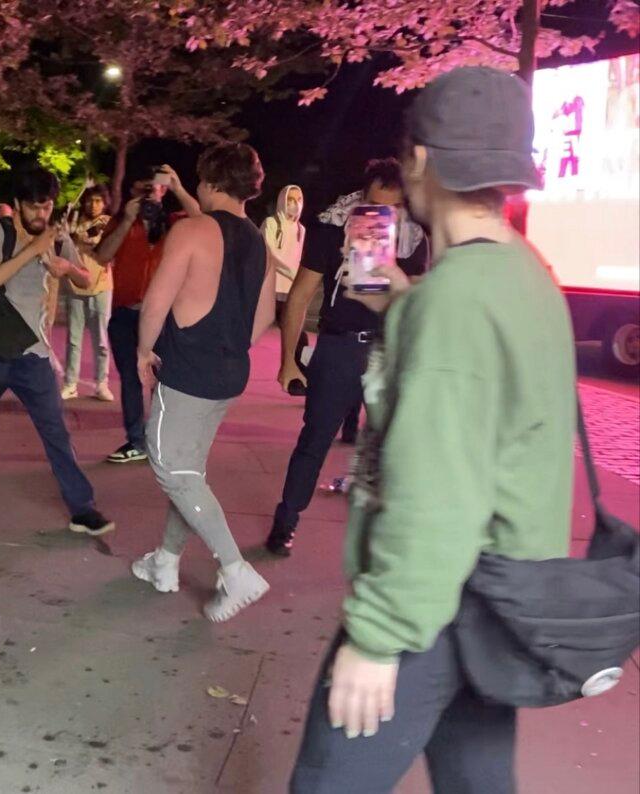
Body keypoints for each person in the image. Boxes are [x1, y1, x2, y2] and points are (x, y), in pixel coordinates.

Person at [290, 66, 574, 794]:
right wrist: (406, 303)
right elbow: (477, 380)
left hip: (431, 606)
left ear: (417, 159)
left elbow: (438, 492)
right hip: (499, 600)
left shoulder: (459, 302)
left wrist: (379, 639)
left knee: (328, 784)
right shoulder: (522, 271)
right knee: (477, 782)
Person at [131, 143, 276, 622]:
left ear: (209, 181)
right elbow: (265, 316)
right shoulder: (258, 241)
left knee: (172, 467)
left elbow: (156, 303)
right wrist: (229, 344)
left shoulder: (191, 231)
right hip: (229, 371)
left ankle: (236, 571)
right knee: (189, 470)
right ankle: (165, 563)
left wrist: (143, 351)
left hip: (189, 370)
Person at [0, 169, 115, 537]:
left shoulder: (56, 235)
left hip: (33, 351)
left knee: (56, 432)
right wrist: (33, 250)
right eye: (34, 207)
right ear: (17, 205)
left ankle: (82, 508)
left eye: (47, 206)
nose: (41, 215)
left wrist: (66, 267)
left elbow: (86, 278)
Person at [265, 159, 429, 557]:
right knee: (315, 438)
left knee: (392, 447)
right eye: (373, 204)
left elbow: (419, 305)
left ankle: (387, 537)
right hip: (339, 348)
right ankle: (286, 519)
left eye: (391, 208)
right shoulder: (331, 227)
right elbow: (301, 296)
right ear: (361, 197)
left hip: (387, 352)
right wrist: (288, 360)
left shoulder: (412, 239)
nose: (379, 216)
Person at [96, 165, 201, 464]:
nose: (150, 194)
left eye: (155, 188)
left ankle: (160, 440)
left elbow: (202, 220)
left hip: (163, 316)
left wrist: (180, 188)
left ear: (164, 189)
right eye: (143, 189)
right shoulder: (122, 221)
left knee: (163, 379)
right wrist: (128, 218)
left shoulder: (175, 222)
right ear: (132, 192)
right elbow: (102, 256)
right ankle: (136, 440)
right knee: (130, 379)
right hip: (125, 313)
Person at [61, 185, 114, 402]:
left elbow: (92, 238)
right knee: (74, 340)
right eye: (91, 201)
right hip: (75, 286)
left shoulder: (107, 223)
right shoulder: (76, 220)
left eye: (99, 201)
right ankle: (70, 383)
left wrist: (73, 232)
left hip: (101, 286)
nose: (94, 205)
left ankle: (101, 383)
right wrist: (66, 215)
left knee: (101, 340)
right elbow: (65, 238)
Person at [261, 184, 308, 366]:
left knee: (295, 330)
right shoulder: (271, 223)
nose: (295, 204)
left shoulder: (300, 230)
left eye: (298, 200)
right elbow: (270, 252)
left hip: (290, 289)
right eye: (290, 199)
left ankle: (298, 366)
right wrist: (292, 272)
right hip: (270, 288)